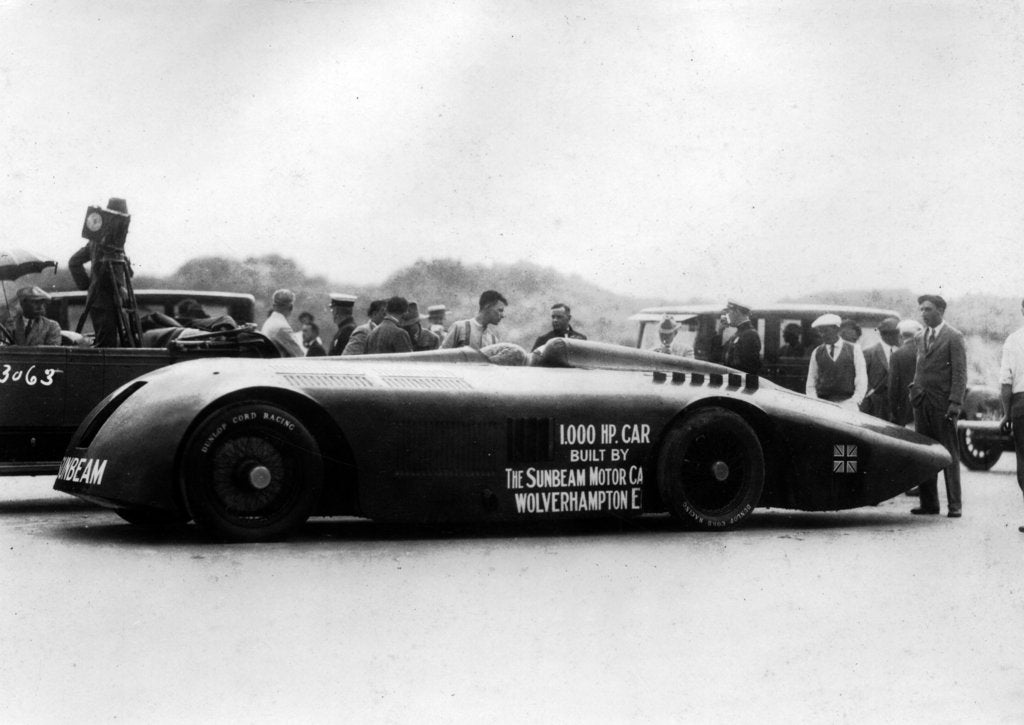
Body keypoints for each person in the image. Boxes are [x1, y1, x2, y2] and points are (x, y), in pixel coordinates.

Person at [909, 294, 967, 518]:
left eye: (928, 309)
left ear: (941, 310)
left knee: (949, 455)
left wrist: (955, 402)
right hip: (921, 402)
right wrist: (914, 391)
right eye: (921, 309)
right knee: (924, 454)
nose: (923, 313)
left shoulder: (954, 336)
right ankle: (929, 504)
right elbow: (919, 368)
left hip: (943, 405)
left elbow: (960, 373)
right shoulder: (919, 336)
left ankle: (955, 505)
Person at [68, 197, 132, 347]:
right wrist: (88, 285)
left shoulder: (112, 245)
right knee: (107, 347)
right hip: (103, 301)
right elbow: (98, 268)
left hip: (109, 300)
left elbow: (74, 262)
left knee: (112, 344)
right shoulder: (99, 243)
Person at [997, 298, 1024, 533]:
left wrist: (1006, 415)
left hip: (1021, 403)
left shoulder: (1014, 340)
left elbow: (1006, 381)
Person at [804, 313, 867, 411]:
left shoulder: (854, 350)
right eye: (820, 331)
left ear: (837, 329)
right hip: (822, 404)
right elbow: (811, 381)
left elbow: (861, 378)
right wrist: (814, 401)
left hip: (847, 404)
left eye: (826, 331)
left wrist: (855, 400)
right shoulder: (817, 352)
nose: (823, 335)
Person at [860, 317, 901, 419]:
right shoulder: (869, 353)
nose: (900, 337)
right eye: (898, 334)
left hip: (895, 407)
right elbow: (861, 378)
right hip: (874, 407)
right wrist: (870, 395)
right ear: (886, 334)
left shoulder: (901, 353)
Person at [441, 290, 507, 350]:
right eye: (500, 310)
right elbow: (441, 356)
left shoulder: (494, 339)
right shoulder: (460, 327)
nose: (503, 315)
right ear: (487, 306)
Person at [887, 319, 922, 427]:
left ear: (901, 336)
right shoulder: (929, 351)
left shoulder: (897, 355)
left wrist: (893, 410)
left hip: (905, 409)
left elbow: (893, 386)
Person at [259, 288, 304, 357]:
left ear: (273, 306)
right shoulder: (283, 327)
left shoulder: (269, 322)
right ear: (291, 307)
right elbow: (300, 355)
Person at [722, 300, 761, 375]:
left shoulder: (750, 334)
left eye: (729, 312)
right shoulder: (740, 333)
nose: (728, 316)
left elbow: (749, 368)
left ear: (737, 312)